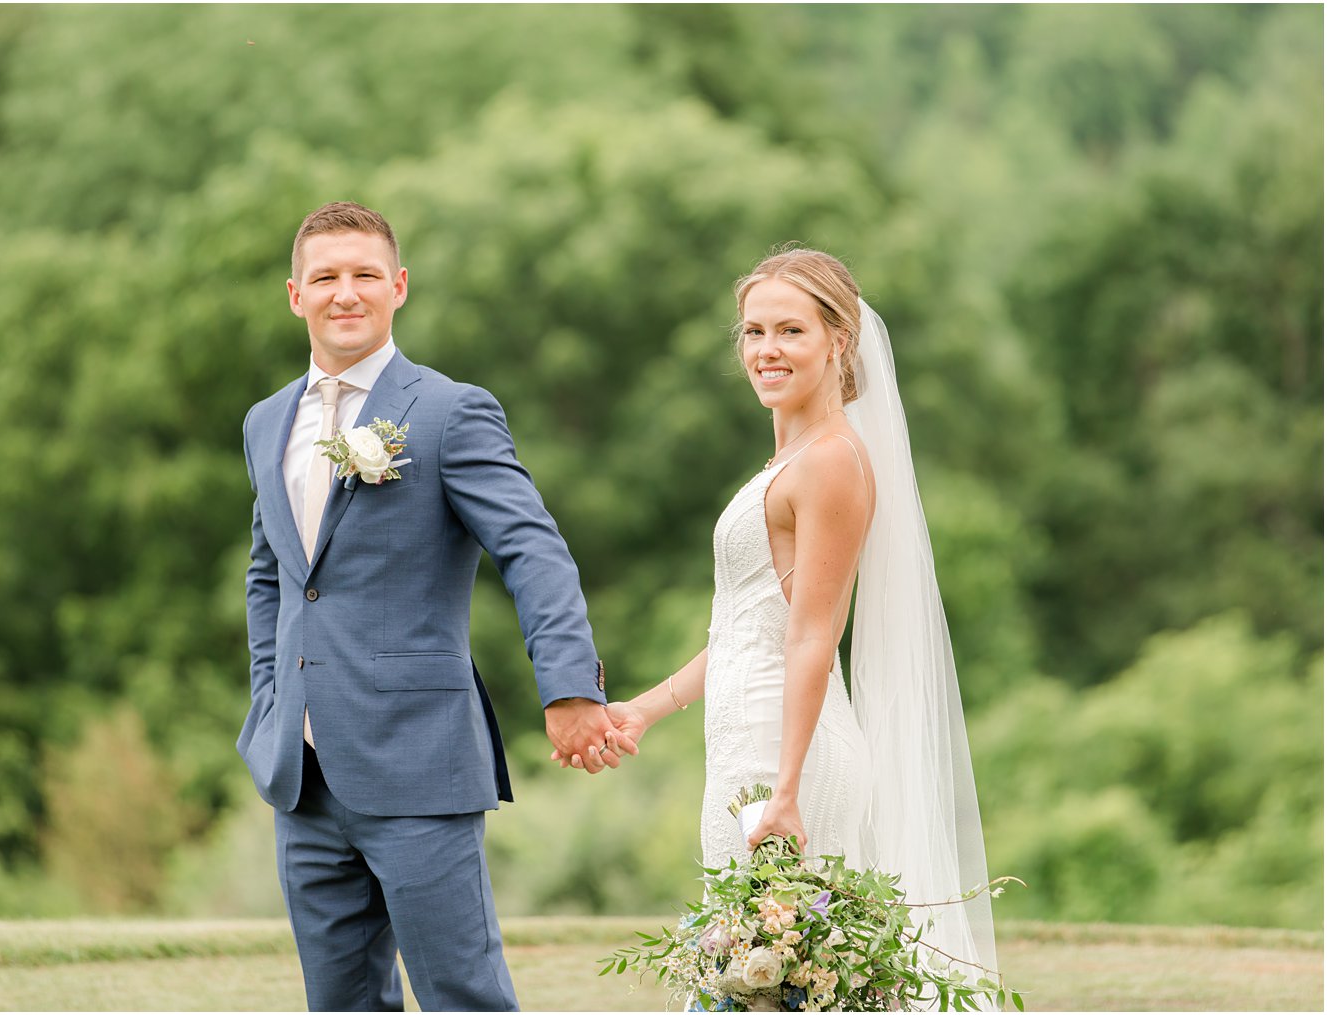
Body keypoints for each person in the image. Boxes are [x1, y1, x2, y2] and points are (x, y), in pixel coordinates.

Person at [237, 201, 630, 1012]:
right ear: (295, 294)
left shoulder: (451, 412)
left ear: (399, 287)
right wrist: (271, 702)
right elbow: (271, 574)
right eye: (326, 277)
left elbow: (533, 548)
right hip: (302, 774)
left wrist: (568, 686)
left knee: (463, 997)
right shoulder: (266, 421)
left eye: (364, 275)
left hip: (419, 761)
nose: (345, 292)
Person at [596, 247, 999, 978]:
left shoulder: (833, 461)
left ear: (838, 340)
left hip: (786, 755)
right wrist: (646, 709)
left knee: (772, 975)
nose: (765, 350)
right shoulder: (796, 458)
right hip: (746, 741)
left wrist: (785, 790)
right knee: (753, 975)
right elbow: (750, 627)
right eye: (753, 332)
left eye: (790, 330)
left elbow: (814, 632)